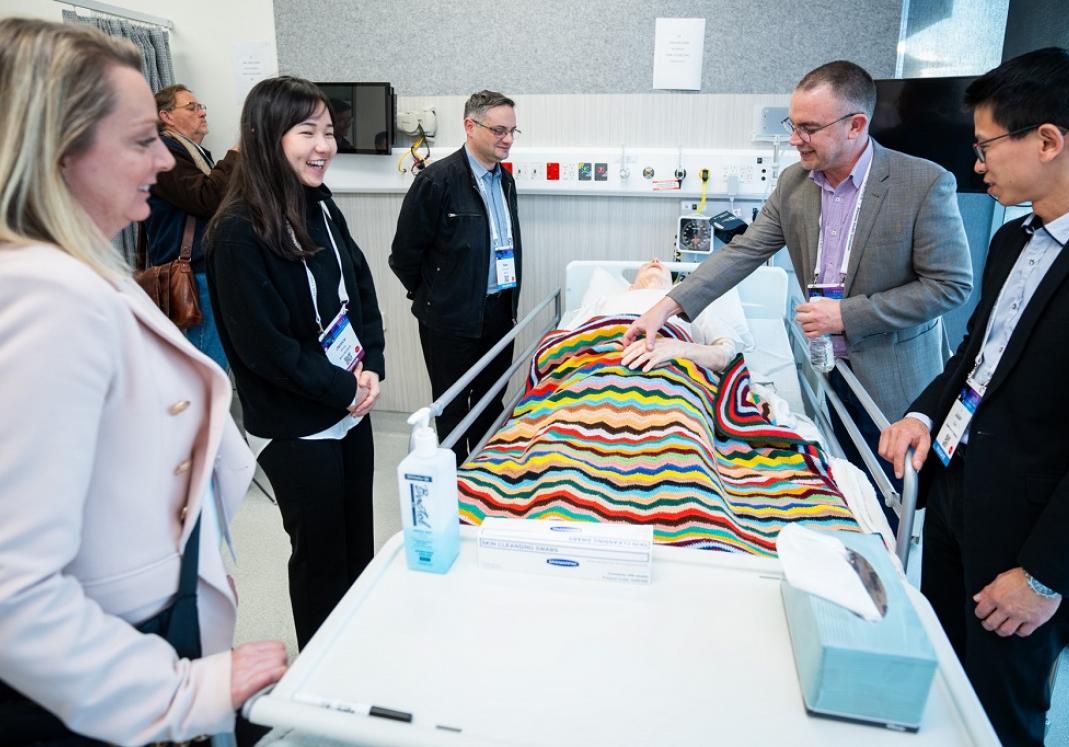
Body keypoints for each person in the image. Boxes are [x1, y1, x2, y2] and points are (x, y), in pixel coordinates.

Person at [0, 17, 286, 744]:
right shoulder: (49, 295)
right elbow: (13, 591)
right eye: (140, 140)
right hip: (91, 669)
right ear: (55, 151)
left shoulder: (78, 269)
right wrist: (179, 692)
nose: (163, 162)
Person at [879, 47, 1069, 745]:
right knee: (944, 685)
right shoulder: (1015, 238)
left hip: (1030, 536)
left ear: (1046, 140)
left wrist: (1044, 576)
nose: (977, 164)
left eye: (986, 146)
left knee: (1001, 711)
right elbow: (978, 356)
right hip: (958, 494)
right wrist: (923, 412)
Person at [624, 61, 973, 502]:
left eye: (808, 128)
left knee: (893, 500)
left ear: (856, 125)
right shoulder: (795, 184)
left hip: (893, 375)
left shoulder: (921, 183)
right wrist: (665, 306)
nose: (793, 139)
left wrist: (847, 314)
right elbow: (743, 251)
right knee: (848, 484)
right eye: (793, 124)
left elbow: (950, 285)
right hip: (831, 366)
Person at [205, 77, 385, 649]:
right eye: (306, 132)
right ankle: (320, 674)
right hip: (295, 423)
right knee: (321, 555)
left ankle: (360, 650)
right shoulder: (237, 233)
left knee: (359, 539)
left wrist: (371, 364)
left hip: (349, 404)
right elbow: (266, 349)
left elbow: (359, 287)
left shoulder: (322, 207)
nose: (323, 146)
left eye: (329, 131)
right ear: (265, 138)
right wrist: (341, 388)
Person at [390, 90, 522, 464]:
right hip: (448, 319)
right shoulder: (437, 181)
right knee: (451, 407)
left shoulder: (505, 181)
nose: (507, 139)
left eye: (513, 131)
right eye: (499, 130)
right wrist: (438, 298)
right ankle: (457, 481)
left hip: (498, 312)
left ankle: (481, 474)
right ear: (470, 126)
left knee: (489, 400)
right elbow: (404, 255)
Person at [144, 83, 239, 368]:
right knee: (205, 362)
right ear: (167, 116)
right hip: (193, 273)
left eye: (201, 107)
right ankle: (204, 412)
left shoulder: (194, 152)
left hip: (204, 268)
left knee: (213, 354)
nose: (201, 113)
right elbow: (206, 199)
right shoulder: (166, 153)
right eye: (192, 107)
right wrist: (235, 154)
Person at [560, 260, 740, 372]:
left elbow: (726, 355)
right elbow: (560, 345)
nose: (654, 260)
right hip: (598, 367)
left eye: (663, 266)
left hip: (671, 372)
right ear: (631, 286)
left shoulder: (693, 302)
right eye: (645, 265)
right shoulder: (606, 301)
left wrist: (683, 350)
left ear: (673, 285)